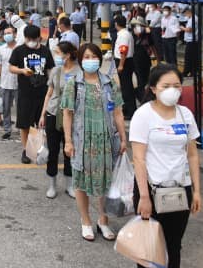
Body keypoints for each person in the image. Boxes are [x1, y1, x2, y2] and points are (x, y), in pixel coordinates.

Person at [129, 64, 201, 268]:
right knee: (148, 243)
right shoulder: (144, 115)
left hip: (181, 189)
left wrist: (197, 192)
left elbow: (191, 154)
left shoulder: (185, 115)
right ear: (153, 88)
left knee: (174, 243)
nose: (173, 90)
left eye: (177, 86)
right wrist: (145, 197)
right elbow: (138, 158)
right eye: (166, 86)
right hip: (150, 189)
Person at [61, 43, 127, 242]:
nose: (91, 60)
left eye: (94, 56)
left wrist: (123, 138)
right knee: (81, 182)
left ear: (100, 59)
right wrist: (68, 141)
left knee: (105, 182)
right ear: (80, 60)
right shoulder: (74, 83)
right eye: (86, 57)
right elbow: (67, 114)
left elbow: (118, 112)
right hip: (82, 140)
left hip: (105, 139)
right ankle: (86, 221)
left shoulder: (110, 83)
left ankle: (103, 220)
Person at [39, 41, 80, 199]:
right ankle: (52, 185)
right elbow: (49, 94)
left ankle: (69, 185)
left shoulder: (79, 72)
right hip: (53, 113)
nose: (55, 55)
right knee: (53, 151)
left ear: (67, 55)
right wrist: (43, 115)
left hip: (71, 115)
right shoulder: (55, 71)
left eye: (57, 52)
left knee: (69, 150)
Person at [9, 25, 54, 164]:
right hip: (25, 93)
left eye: (33, 39)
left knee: (41, 124)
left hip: (42, 93)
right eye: (28, 39)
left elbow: (50, 70)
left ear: (39, 38)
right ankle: (26, 150)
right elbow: (11, 67)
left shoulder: (45, 51)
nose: (31, 41)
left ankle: (40, 149)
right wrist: (22, 71)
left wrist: (52, 87)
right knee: (24, 124)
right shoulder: (19, 51)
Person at [0, 27, 18, 140]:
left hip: (19, 83)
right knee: (5, 108)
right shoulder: (1, 49)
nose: (7, 35)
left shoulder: (20, 48)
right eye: (5, 33)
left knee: (21, 108)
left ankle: (24, 128)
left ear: (15, 34)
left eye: (9, 33)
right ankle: (7, 129)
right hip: (5, 83)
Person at [114, 15, 137, 119]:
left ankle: (129, 110)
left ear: (116, 24)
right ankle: (127, 108)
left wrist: (121, 65)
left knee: (126, 87)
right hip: (126, 61)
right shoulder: (125, 33)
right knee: (126, 86)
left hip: (124, 62)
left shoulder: (123, 35)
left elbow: (124, 50)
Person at [130, 17, 154, 103]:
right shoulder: (132, 35)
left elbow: (152, 45)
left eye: (140, 25)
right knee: (140, 79)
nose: (138, 27)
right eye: (136, 25)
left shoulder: (147, 35)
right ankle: (142, 97)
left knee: (146, 78)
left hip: (146, 59)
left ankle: (139, 92)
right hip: (136, 60)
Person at [181, 7, 198, 78]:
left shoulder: (193, 18)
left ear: (188, 12)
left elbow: (189, 29)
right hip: (191, 40)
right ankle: (192, 72)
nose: (185, 15)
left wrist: (182, 28)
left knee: (188, 57)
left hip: (192, 40)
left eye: (185, 13)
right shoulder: (192, 18)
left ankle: (186, 72)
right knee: (192, 57)